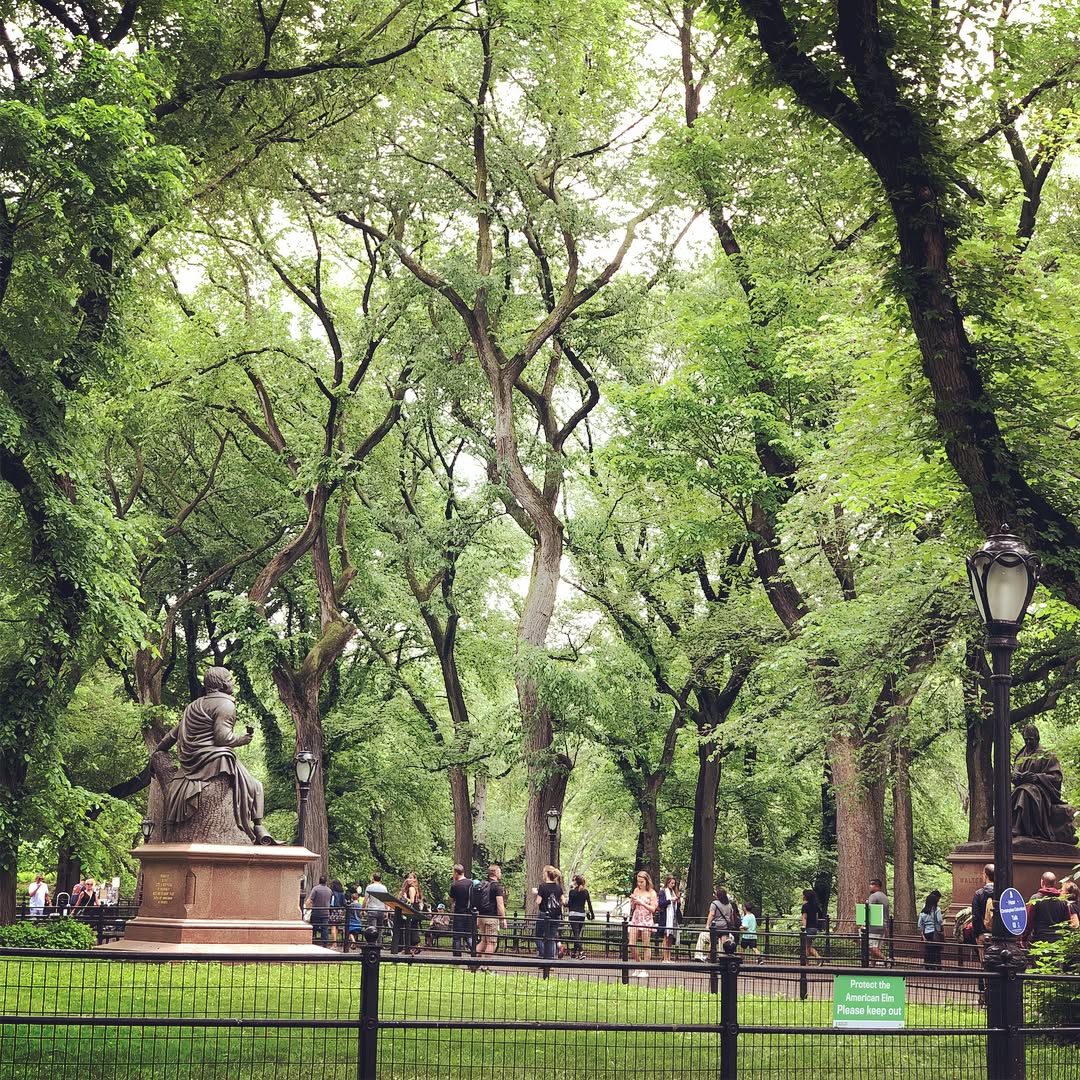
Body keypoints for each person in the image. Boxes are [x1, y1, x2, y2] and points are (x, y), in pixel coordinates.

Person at [158, 667, 273, 844]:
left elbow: (173, 735)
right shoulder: (226, 705)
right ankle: (258, 826)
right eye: (230, 679)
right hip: (214, 759)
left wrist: (159, 749)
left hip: (190, 760)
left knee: (251, 783)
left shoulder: (193, 706)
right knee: (255, 785)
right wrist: (242, 739)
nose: (232, 682)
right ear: (222, 684)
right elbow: (222, 738)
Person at [1011, 724, 1078, 844]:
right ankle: (1010, 824)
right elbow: (1014, 772)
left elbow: (1056, 778)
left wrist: (1037, 777)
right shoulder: (1021, 755)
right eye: (1026, 739)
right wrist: (1015, 776)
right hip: (1021, 787)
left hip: (1041, 790)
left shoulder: (1047, 755)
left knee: (1026, 792)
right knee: (1015, 793)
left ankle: (1020, 826)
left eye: (1031, 739)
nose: (1028, 742)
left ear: (1037, 738)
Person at [1026, 871, 1071, 944]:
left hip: (1040, 940)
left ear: (1042, 882)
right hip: (1058, 941)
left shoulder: (1035, 899)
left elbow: (1029, 921)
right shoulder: (1063, 901)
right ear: (1054, 883)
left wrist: (1024, 938)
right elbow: (1068, 922)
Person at [628, 870, 658, 977]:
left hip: (646, 920)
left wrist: (641, 902)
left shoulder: (652, 893)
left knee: (646, 945)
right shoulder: (636, 890)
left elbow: (653, 909)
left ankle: (644, 969)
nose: (639, 884)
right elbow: (633, 907)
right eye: (638, 881)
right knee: (631, 944)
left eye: (642, 882)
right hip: (636, 919)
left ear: (646, 881)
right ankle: (638, 964)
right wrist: (633, 901)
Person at [476, 863, 507, 965]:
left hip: (481, 916)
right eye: (499, 872)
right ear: (495, 873)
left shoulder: (482, 884)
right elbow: (500, 904)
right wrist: (503, 919)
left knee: (483, 941)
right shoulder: (497, 887)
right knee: (491, 943)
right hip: (491, 917)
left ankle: (474, 963)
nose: (501, 874)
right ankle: (485, 966)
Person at [535, 865, 564, 961]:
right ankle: (550, 960)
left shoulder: (542, 887)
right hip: (556, 914)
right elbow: (563, 901)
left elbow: (538, 901)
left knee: (538, 936)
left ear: (546, 874)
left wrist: (537, 894)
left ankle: (544, 955)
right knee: (551, 938)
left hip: (545, 913)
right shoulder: (558, 887)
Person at [566, 874, 595, 959]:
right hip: (581, 915)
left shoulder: (572, 892)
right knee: (577, 934)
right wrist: (592, 914)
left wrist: (564, 903)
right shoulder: (585, 892)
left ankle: (581, 951)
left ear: (576, 882)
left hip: (573, 915)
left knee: (576, 934)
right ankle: (574, 952)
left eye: (574, 880)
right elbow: (589, 903)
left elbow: (569, 904)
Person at [449, 864, 473, 956]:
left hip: (459, 913)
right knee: (469, 936)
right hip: (470, 914)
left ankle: (457, 958)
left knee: (457, 937)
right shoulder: (471, 883)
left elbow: (451, 900)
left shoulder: (455, 885)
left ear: (456, 873)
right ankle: (474, 954)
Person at [706, 886, 738, 957]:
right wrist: (732, 924)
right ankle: (723, 956)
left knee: (713, 942)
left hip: (716, 927)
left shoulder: (714, 904)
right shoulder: (729, 905)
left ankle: (710, 956)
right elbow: (731, 916)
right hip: (725, 927)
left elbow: (712, 914)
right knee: (724, 943)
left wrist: (707, 924)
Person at [917, 890, 944, 969]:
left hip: (926, 933)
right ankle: (937, 965)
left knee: (928, 949)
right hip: (934, 932)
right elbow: (939, 920)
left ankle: (928, 965)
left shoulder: (923, 912)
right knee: (936, 950)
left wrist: (923, 933)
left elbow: (919, 924)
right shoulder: (937, 910)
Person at [971, 863, 995, 951]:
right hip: (999, 936)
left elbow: (976, 916)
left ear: (985, 875)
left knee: (984, 958)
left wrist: (977, 934)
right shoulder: (1002, 894)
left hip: (983, 934)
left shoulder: (979, 894)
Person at [657, 876, 681, 962]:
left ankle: (669, 957)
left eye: (674, 883)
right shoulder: (663, 892)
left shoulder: (673, 892)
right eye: (671, 883)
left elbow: (677, 906)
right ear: (667, 883)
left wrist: (678, 901)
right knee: (666, 937)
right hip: (666, 918)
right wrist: (670, 900)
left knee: (670, 937)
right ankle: (665, 957)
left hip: (673, 918)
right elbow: (661, 903)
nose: (673, 885)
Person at [399, 872, 423, 954]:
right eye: (408, 878)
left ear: (414, 879)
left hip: (412, 909)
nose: (408, 879)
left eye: (411, 878)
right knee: (413, 928)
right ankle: (415, 947)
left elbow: (411, 901)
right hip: (415, 909)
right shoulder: (416, 889)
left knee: (411, 928)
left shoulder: (411, 889)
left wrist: (406, 898)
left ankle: (411, 947)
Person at [867, 878, 890, 964]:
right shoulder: (885, 897)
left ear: (877, 886)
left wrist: (864, 923)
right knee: (877, 947)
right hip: (883, 925)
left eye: (871, 884)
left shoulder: (873, 896)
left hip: (874, 926)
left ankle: (886, 959)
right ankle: (872, 965)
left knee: (871, 946)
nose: (870, 886)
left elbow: (869, 910)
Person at [306, 875, 333, 945]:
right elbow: (330, 901)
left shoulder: (315, 889)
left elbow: (310, 900)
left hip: (316, 912)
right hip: (325, 912)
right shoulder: (329, 890)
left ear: (319, 881)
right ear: (326, 882)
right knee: (325, 928)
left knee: (314, 927)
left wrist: (306, 908)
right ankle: (325, 943)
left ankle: (312, 940)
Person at [362, 871, 389, 940]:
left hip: (372, 909)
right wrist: (386, 912)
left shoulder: (369, 887)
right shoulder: (384, 888)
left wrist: (362, 909)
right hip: (381, 910)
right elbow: (385, 901)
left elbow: (365, 900)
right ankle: (379, 943)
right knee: (380, 929)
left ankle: (372, 943)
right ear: (380, 879)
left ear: (373, 878)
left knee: (371, 928)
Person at [800, 889, 823, 963]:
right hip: (814, 928)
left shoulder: (805, 906)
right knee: (808, 946)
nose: (802, 896)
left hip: (808, 928)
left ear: (806, 897)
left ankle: (817, 958)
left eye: (803, 895)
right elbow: (817, 918)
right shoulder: (815, 906)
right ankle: (807, 962)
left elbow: (804, 918)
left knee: (807, 946)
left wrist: (803, 928)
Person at [327, 878, 346, 947]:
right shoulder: (342, 894)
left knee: (333, 926)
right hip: (340, 911)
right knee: (337, 927)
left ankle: (334, 943)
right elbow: (344, 903)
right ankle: (335, 941)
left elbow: (331, 903)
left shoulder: (332, 893)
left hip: (333, 910)